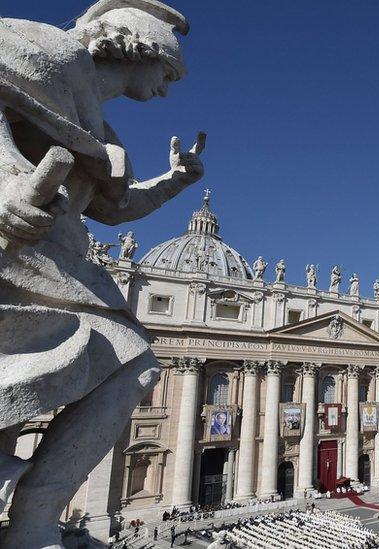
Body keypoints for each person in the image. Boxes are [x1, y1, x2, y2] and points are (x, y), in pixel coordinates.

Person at [0, 2, 205, 545]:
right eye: (168, 73)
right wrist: (4, 187)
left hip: (55, 256)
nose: (166, 89)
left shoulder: (104, 131)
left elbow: (114, 210)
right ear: (141, 47)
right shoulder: (45, 51)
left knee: (125, 365)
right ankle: (34, 520)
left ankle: (33, 517)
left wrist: (175, 181)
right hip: (18, 243)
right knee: (126, 360)